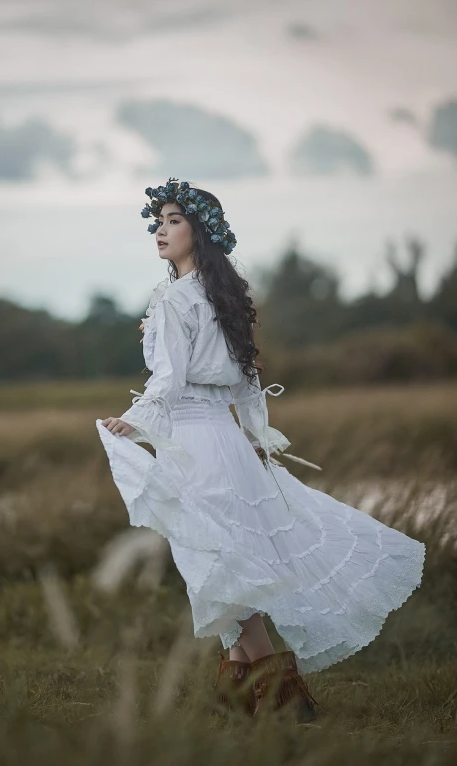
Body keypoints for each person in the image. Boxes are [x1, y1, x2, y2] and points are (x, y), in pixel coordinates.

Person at [96, 178, 425, 722]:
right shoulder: (219, 296)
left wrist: (131, 422)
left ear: (199, 231)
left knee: (226, 569)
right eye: (159, 221)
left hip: (197, 445)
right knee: (227, 565)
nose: (160, 229)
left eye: (174, 220)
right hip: (223, 441)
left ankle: (287, 702)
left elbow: (170, 381)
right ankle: (236, 703)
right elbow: (243, 381)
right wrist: (253, 435)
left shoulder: (177, 298)